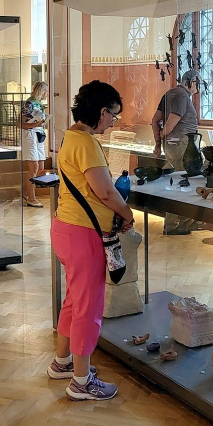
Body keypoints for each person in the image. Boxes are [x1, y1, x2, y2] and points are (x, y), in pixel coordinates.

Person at [50, 80, 134, 401]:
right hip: (84, 234)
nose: (113, 122)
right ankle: (81, 382)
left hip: (66, 228)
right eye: (113, 115)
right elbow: (105, 191)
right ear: (101, 112)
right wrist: (126, 213)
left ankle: (63, 363)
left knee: (73, 301)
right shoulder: (86, 142)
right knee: (88, 307)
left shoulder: (70, 136)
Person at [151, 69, 202, 235]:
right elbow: (169, 125)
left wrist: (158, 143)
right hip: (181, 146)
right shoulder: (182, 95)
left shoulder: (169, 93)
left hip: (173, 146)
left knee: (177, 182)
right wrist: (164, 135)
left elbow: (155, 120)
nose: (198, 89)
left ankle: (184, 222)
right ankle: (175, 224)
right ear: (191, 81)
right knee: (181, 184)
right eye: (198, 84)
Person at [20, 81, 49, 207]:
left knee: (40, 166)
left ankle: (26, 191)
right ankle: (31, 198)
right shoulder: (29, 103)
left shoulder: (40, 104)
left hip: (38, 135)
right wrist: (36, 124)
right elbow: (21, 123)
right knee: (34, 166)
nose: (47, 94)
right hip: (30, 134)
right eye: (46, 91)